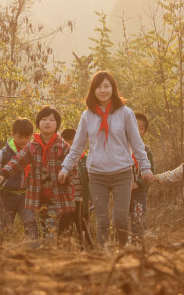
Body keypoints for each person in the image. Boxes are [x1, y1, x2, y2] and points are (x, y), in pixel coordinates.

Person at [58, 71, 155, 247]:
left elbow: (137, 144)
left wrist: (145, 168)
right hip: (97, 175)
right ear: (93, 90)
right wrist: (65, 168)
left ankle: (122, 251)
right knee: (102, 221)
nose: (102, 90)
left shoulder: (125, 113)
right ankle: (105, 256)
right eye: (98, 87)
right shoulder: (87, 116)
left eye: (106, 86)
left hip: (122, 173)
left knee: (120, 220)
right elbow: (77, 147)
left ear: (113, 89)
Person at [0, 106, 75, 244]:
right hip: (39, 196)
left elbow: (73, 165)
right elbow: (18, 160)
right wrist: (4, 174)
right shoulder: (32, 146)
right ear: (38, 124)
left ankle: (50, 249)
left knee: (50, 227)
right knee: (44, 226)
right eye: (44, 119)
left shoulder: (63, 147)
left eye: (52, 120)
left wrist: (66, 175)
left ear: (57, 125)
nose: (47, 122)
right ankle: (49, 251)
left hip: (57, 195)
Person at [0, 117, 37, 243]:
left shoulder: (34, 152)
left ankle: (33, 248)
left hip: (26, 195)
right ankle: (2, 248)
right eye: (20, 137)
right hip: (6, 195)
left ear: (32, 136)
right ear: (13, 135)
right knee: (5, 226)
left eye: (27, 137)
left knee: (30, 222)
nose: (24, 141)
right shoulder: (4, 153)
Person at [60, 128, 94, 248]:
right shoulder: (63, 160)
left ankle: (87, 249)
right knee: (67, 226)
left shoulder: (86, 159)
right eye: (67, 144)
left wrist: (92, 199)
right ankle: (66, 248)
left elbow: (92, 180)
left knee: (83, 225)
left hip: (83, 201)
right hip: (67, 200)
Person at [130, 113, 155, 241]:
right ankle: (121, 246)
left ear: (145, 132)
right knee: (120, 219)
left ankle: (139, 245)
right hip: (120, 190)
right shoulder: (119, 148)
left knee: (138, 220)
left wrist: (137, 183)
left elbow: (151, 172)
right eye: (134, 127)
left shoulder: (146, 150)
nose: (137, 131)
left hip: (139, 191)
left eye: (141, 128)